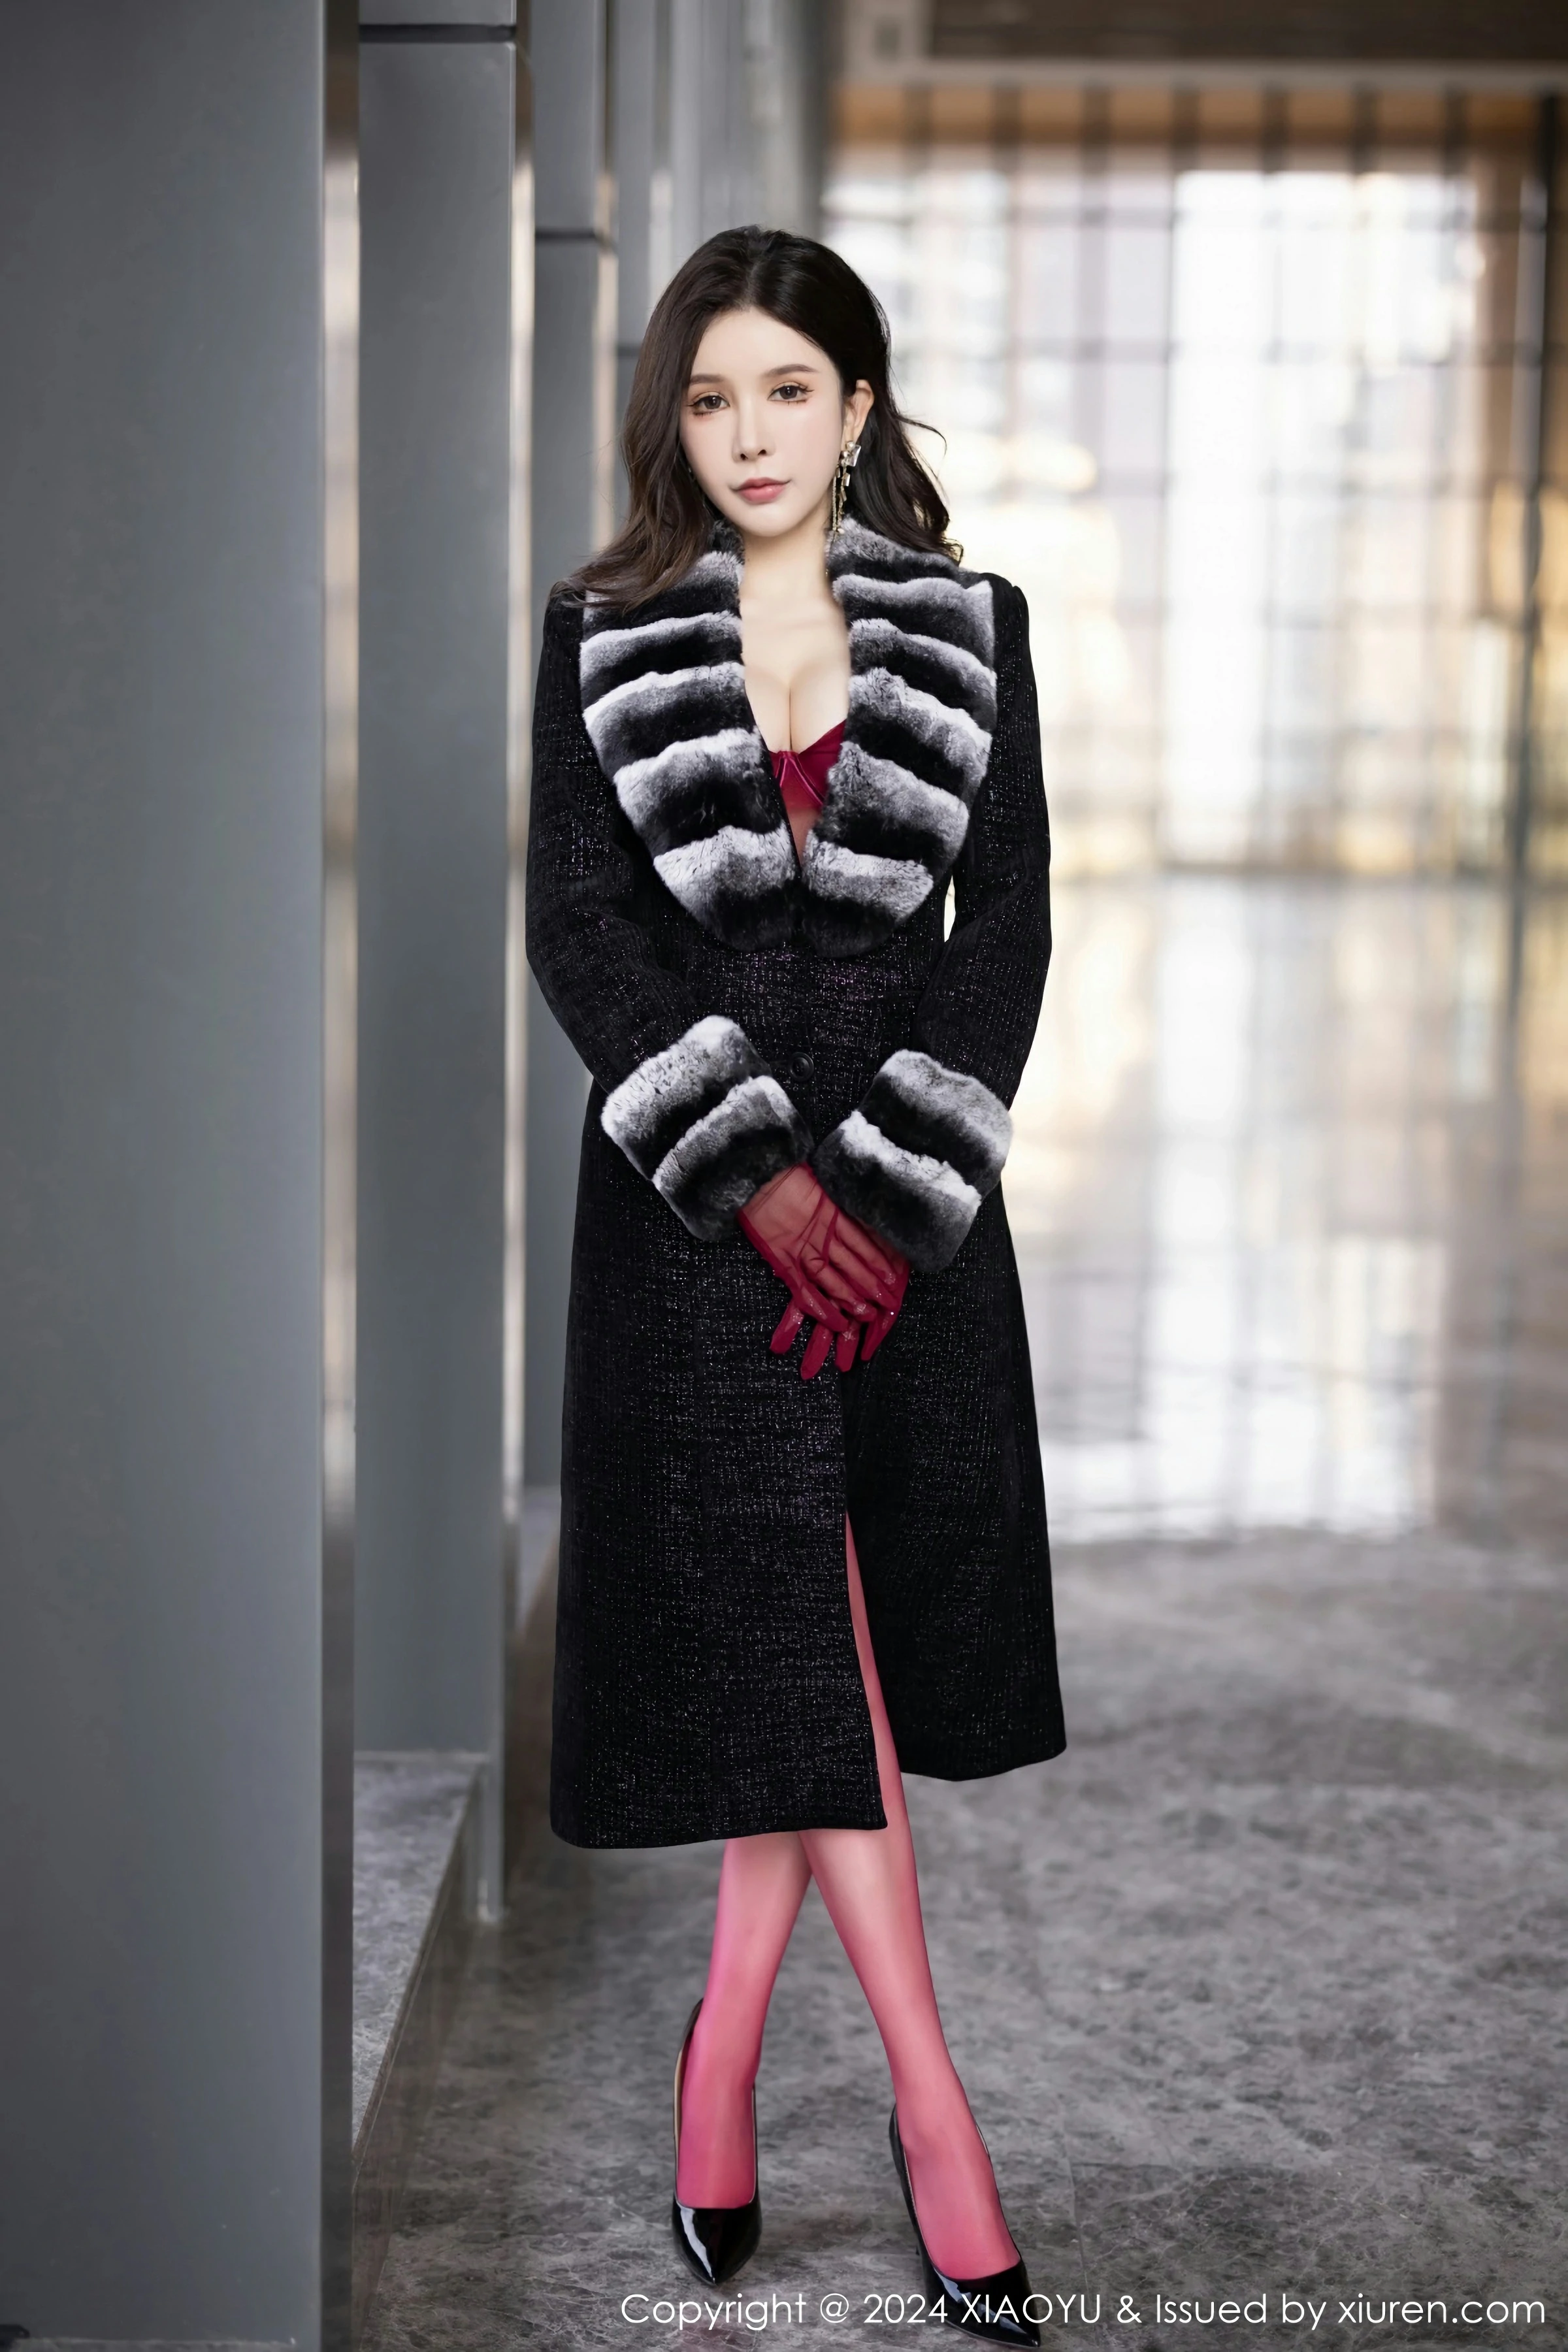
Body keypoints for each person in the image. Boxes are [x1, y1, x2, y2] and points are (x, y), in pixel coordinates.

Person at [525, 225, 1065, 2348]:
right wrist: (753, 1183)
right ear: (674, 420)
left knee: (810, 1653)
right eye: (707, 396)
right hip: (696, 1233)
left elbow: (1006, 933)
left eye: (785, 390)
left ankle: (724, 2054)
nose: (745, 434)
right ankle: (938, 2110)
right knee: (801, 1644)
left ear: (856, 407)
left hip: (906, 1217)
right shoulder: (600, 636)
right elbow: (584, 933)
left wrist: (893, 1193)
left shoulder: (973, 627)